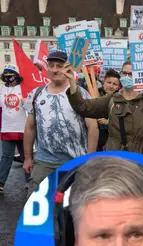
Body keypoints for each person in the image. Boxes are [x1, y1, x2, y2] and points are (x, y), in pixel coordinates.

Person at [23, 51, 99, 196]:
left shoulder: (80, 94)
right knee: (37, 206)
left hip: (75, 162)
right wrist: (27, 158)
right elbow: (30, 127)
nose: (55, 70)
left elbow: (93, 127)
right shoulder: (37, 94)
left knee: (72, 208)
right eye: (51, 66)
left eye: (59, 66)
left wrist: (89, 159)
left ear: (67, 68)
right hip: (44, 162)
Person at [64, 59, 143, 158]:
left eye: (131, 74)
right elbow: (82, 107)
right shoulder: (112, 99)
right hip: (115, 160)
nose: (127, 77)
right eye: (124, 73)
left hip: (141, 160)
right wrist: (72, 81)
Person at [0, 64, 29, 192]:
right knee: (6, 157)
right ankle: (0, 183)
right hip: (6, 128)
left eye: (10, 75)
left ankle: (30, 182)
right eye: (6, 75)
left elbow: (32, 107)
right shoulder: (1, 89)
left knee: (27, 157)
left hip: (23, 128)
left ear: (16, 76)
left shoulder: (23, 88)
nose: (8, 78)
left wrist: (26, 102)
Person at [96, 69, 122, 151]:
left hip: (114, 142)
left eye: (115, 84)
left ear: (118, 87)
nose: (111, 86)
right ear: (103, 82)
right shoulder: (94, 96)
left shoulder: (121, 101)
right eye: (109, 82)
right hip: (96, 139)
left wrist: (108, 123)